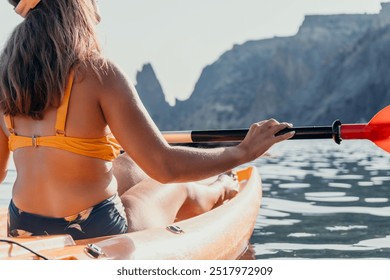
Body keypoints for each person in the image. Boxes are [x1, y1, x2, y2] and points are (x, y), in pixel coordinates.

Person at [0, 0, 294, 240]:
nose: (98, 13)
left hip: (24, 223)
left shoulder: (5, 81)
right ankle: (220, 189)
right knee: (172, 184)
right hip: (94, 227)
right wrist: (242, 152)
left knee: (128, 163)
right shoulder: (100, 74)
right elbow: (165, 167)